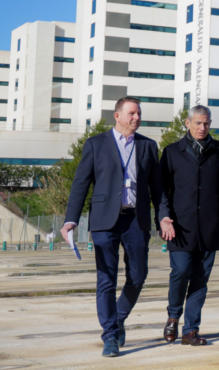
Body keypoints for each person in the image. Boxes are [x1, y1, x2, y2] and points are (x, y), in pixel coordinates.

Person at [59, 97, 174, 357]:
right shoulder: (96, 144)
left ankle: (119, 317)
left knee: (138, 276)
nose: (137, 117)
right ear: (117, 116)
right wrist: (71, 220)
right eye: (132, 113)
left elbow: (157, 188)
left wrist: (163, 216)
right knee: (106, 279)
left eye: (139, 113)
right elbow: (80, 183)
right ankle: (110, 336)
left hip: (136, 220)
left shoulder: (148, 145)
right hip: (104, 221)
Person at [159, 105, 219, 346]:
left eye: (206, 123)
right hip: (179, 227)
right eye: (198, 123)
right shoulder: (172, 151)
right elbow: (162, 190)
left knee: (200, 280)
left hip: (209, 226)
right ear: (187, 123)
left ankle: (190, 331)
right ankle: (173, 316)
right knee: (181, 271)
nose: (202, 127)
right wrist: (163, 217)